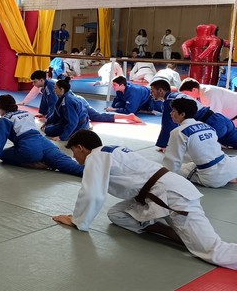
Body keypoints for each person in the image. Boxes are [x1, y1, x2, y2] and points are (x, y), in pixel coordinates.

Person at [52, 129, 237, 270]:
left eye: (73, 153)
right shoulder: (112, 150)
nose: (75, 158)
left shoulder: (95, 157)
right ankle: (173, 233)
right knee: (117, 213)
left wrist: (77, 221)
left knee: (213, 251)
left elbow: (92, 192)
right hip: (158, 193)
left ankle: (186, 234)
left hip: (171, 196)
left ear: (80, 147)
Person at [0, 95, 83, 177]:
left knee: (4, 155)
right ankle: (91, 171)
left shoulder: (5, 119)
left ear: (0, 107)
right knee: (69, 164)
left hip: (29, 150)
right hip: (46, 144)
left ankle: (33, 164)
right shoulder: (27, 113)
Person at [163, 98, 237, 188]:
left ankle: (223, 178)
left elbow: (172, 162)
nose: (171, 113)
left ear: (182, 114)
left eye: (174, 111)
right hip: (231, 167)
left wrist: (165, 177)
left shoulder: (178, 132)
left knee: (182, 169)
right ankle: (229, 177)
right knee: (193, 164)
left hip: (213, 178)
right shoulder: (207, 125)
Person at [151, 79, 237, 150]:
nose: (151, 94)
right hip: (222, 119)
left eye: (152, 91)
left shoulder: (170, 101)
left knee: (197, 150)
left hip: (212, 125)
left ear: (161, 91)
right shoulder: (179, 95)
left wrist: (164, 145)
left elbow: (168, 125)